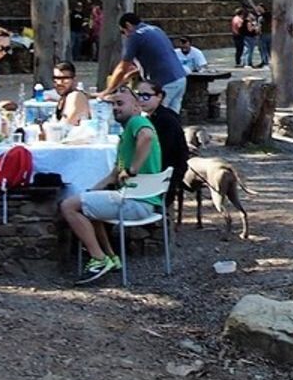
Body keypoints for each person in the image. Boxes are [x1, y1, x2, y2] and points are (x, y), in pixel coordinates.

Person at [59, 84, 161, 283]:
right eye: (114, 105)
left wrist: (132, 170)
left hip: (137, 201)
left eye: (121, 103)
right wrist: (89, 193)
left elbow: (147, 137)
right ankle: (111, 257)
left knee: (67, 206)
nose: (116, 108)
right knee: (87, 204)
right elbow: (112, 177)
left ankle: (98, 259)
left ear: (136, 106)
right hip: (143, 201)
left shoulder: (137, 122)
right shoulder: (126, 137)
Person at [106, 11, 187, 113]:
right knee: (172, 116)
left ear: (128, 25)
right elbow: (155, 60)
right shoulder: (155, 29)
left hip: (165, 82)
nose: (125, 35)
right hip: (180, 78)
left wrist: (108, 90)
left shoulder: (135, 36)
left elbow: (122, 68)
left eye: (123, 32)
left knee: (156, 116)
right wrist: (130, 75)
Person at [133, 79, 191, 218]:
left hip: (164, 179)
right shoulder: (151, 117)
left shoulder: (165, 120)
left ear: (159, 97)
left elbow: (164, 154)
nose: (141, 99)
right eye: (138, 95)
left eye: (146, 95)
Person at [51, 60, 92, 127]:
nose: (59, 83)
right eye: (56, 78)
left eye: (64, 79)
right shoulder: (64, 97)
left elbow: (66, 125)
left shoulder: (75, 96)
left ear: (74, 80)